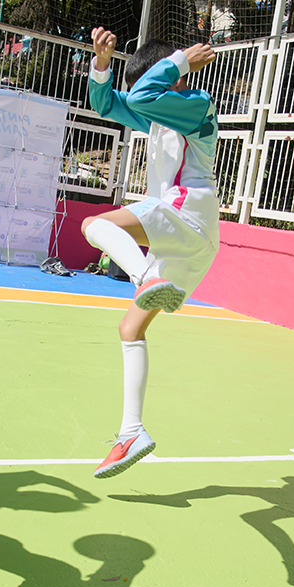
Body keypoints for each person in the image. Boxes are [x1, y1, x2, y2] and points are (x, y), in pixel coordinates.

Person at [82, 27, 219, 478]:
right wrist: (102, 64)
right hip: (188, 241)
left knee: (93, 225)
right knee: (130, 328)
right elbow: (107, 105)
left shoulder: (197, 106)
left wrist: (180, 59)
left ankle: (145, 278)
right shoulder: (158, 115)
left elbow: (141, 95)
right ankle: (132, 431)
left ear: (172, 79)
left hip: (186, 215)